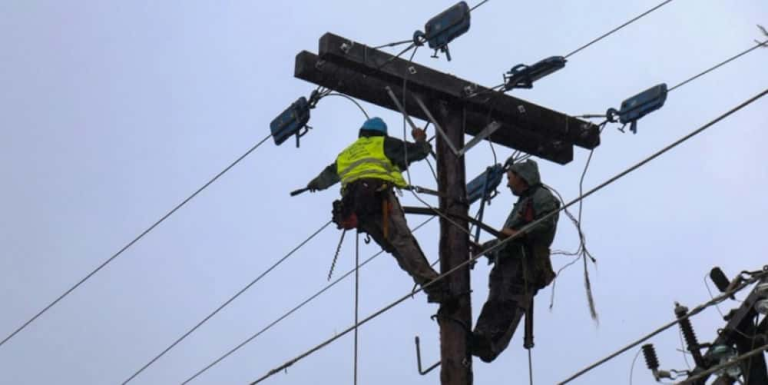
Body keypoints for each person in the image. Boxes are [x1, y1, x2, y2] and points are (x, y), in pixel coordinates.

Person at [305, 117, 447, 303]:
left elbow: (328, 175)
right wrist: (420, 139)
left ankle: (432, 288)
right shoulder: (383, 143)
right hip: (378, 198)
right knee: (402, 242)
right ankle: (434, 285)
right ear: (381, 133)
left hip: (356, 208)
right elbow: (417, 152)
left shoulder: (346, 153)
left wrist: (314, 184)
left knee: (394, 248)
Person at [471, 158, 560, 362]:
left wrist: (520, 234)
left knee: (510, 304)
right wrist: (484, 248)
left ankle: (492, 345)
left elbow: (547, 222)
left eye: (510, 178)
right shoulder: (522, 202)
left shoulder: (541, 196)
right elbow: (508, 237)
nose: (508, 183)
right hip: (508, 263)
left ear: (522, 177)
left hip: (524, 263)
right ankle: (479, 337)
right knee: (495, 302)